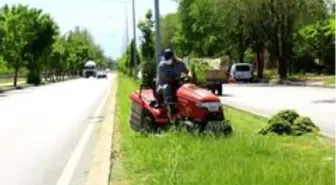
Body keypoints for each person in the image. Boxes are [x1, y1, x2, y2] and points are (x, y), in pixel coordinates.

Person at [156, 48, 189, 116]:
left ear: (173, 57)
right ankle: (171, 108)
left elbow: (187, 71)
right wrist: (179, 78)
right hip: (163, 85)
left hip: (176, 83)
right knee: (167, 87)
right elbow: (167, 79)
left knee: (186, 87)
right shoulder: (162, 66)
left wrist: (189, 76)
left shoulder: (180, 63)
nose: (167, 61)